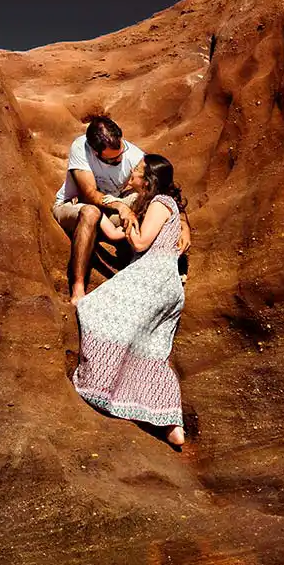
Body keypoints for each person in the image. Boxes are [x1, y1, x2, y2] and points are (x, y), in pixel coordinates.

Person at [71, 154, 188, 447]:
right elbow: (114, 233)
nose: (131, 173)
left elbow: (138, 242)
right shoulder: (148, 203)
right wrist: (97, 213)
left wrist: (131, 220)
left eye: (136, 171)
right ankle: (170, 422)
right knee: (148, 349)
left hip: (153, 277)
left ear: (147, 181)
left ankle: (106, 389)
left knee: (95, 310)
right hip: (156, 279)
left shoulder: (161, 203)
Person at [52, 114, 187, 305]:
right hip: (74, 207)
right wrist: (120, 207)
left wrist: (184, 226)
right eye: (114, 159)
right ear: (95, 151)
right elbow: (89, 193)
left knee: (143, 209)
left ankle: (161, 273)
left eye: (122, 150)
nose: (122, 159)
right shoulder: (81, 147)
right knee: (91, 211)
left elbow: (166, 191)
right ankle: (78, 288)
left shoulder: (135, 158)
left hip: (107, 215)